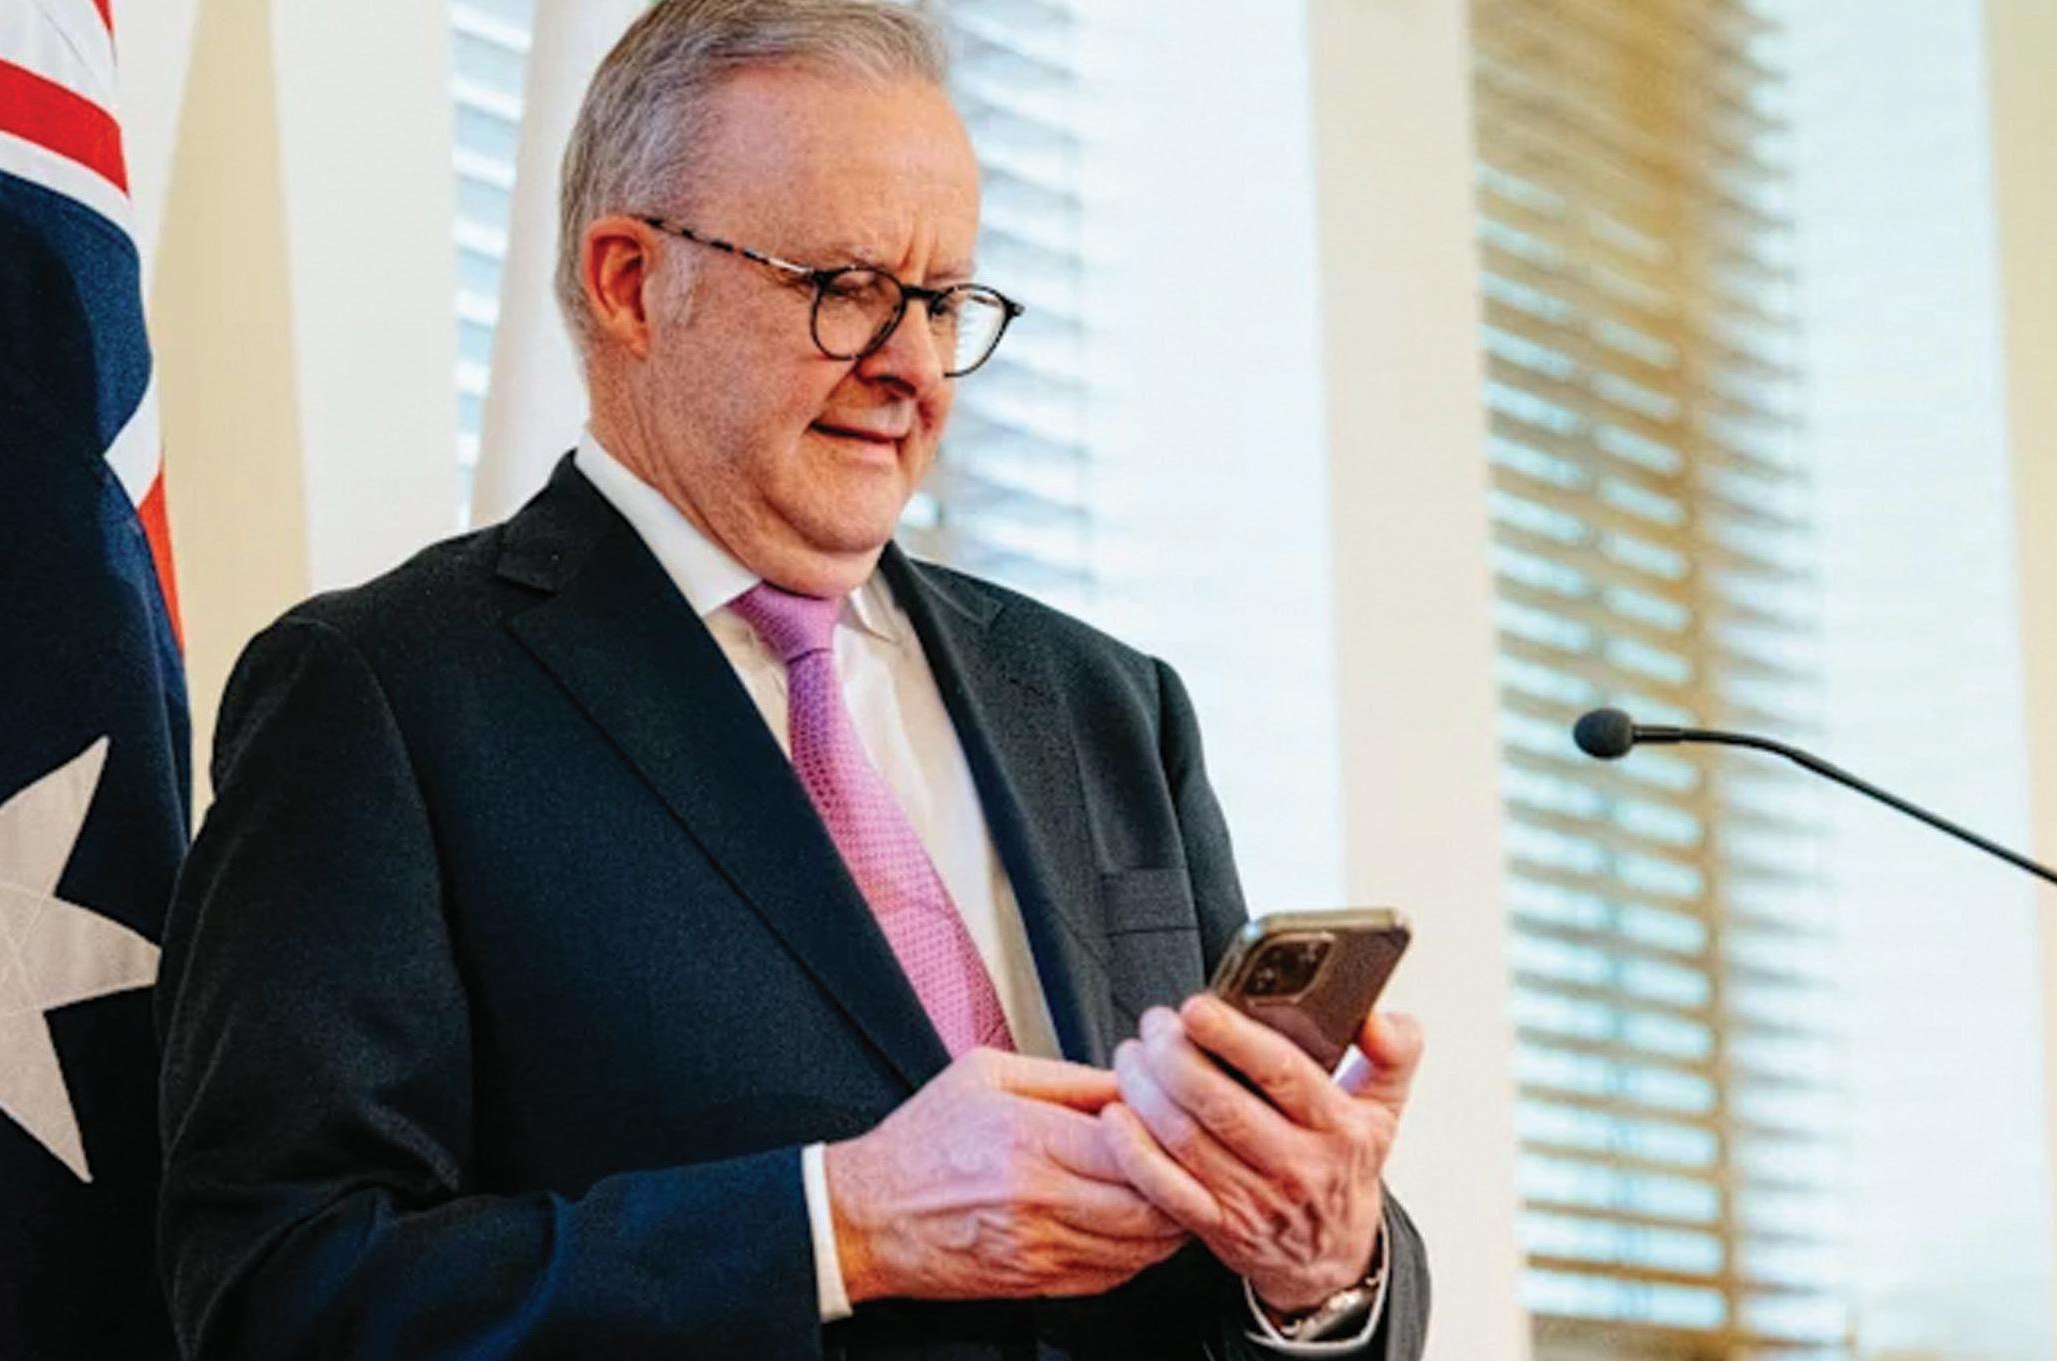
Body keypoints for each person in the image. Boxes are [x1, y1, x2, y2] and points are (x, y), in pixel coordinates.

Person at [154, 2, 1429, 1357]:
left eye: (943, 301)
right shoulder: (384, 696)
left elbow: (1240, 1274)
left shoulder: (1107, 705)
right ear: (630, 283)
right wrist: (839, 1225)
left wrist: (1322, 1269)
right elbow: (277, 1294)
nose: (914, 367)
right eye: (847, 287)